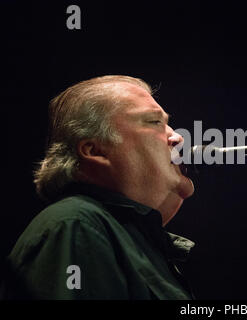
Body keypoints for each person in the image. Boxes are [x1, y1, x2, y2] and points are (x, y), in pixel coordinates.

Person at [3, 75, 196, 299]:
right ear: (95, 151)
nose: (178, 138)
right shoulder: (75, 224)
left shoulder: (117, 236)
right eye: (154, 122)